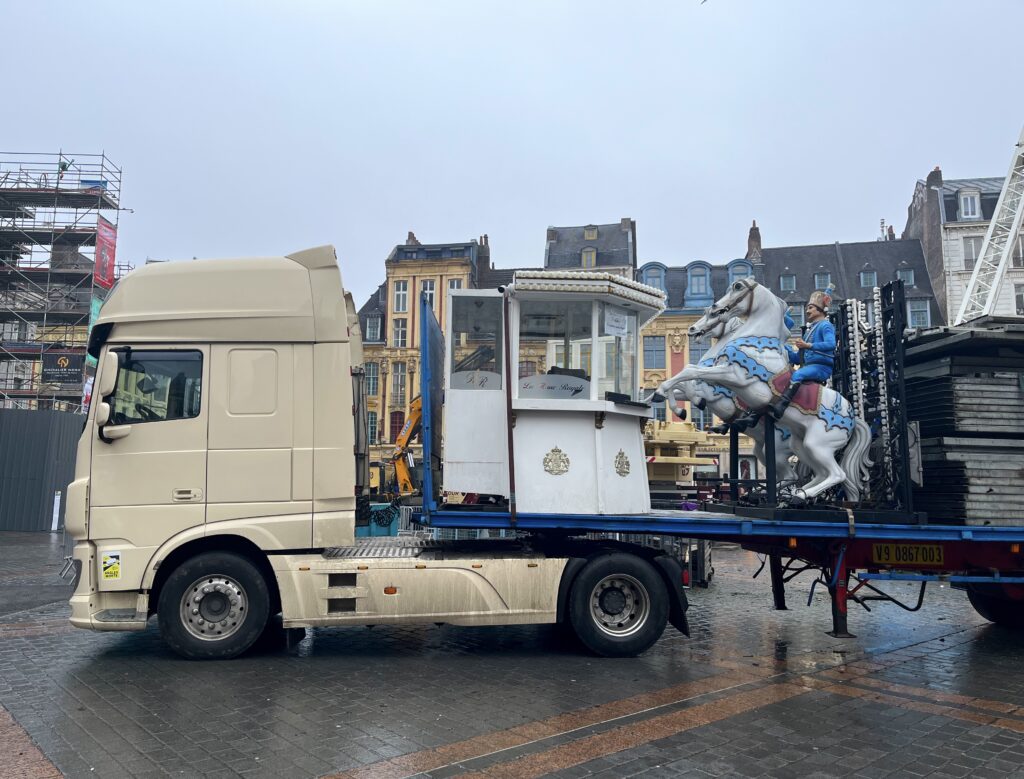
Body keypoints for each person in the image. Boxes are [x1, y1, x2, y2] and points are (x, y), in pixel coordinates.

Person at [768, 288, 836, 419]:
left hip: (821, 367)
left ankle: (781, 406)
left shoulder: (825, 326)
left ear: (819, 310)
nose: (807, 311)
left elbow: (831, 344)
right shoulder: (809, 331)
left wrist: (808, 345)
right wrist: (783, 347)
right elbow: (798, 358)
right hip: (809, 366)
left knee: (799, 373)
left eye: (810, 307)